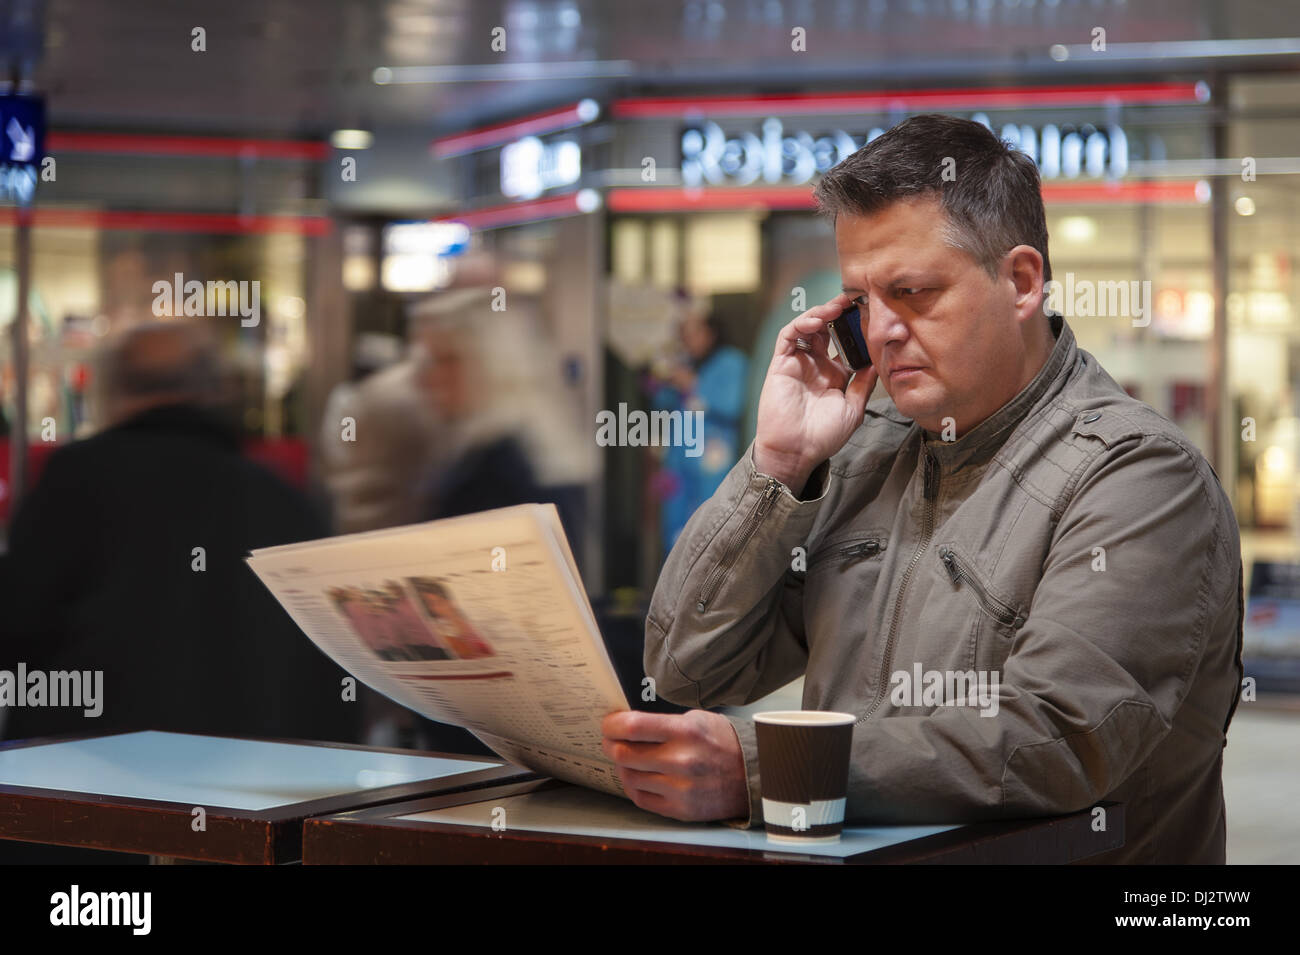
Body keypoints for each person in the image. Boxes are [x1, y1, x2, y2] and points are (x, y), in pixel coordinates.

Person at [603, 114, 1244, 864]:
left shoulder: (1139, 477)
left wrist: (763, 767)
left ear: (1022, 281)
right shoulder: (864, 450)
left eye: (912, 291)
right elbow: (682, 667)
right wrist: (777, 467)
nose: (881, 331)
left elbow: (1058, 737)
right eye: (861, 301)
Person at [0, 320, 360, 746]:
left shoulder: (77, 478)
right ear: (215, 390)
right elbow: (333, 655)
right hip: (258, 775)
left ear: (113, 391)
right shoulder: (279, 494)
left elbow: (20, 620)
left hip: (93, 772)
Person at [649, 297, 748, 554]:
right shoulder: (684, 364)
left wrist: (692, 384)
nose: (688, 338)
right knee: (675, 532)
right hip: (678, 464)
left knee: (709, 530)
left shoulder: (731, 362)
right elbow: (662, 404)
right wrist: (662, 380)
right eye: (683, 332)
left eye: (694, 331)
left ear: (711, 332)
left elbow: (732, 406)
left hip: (710, 463)